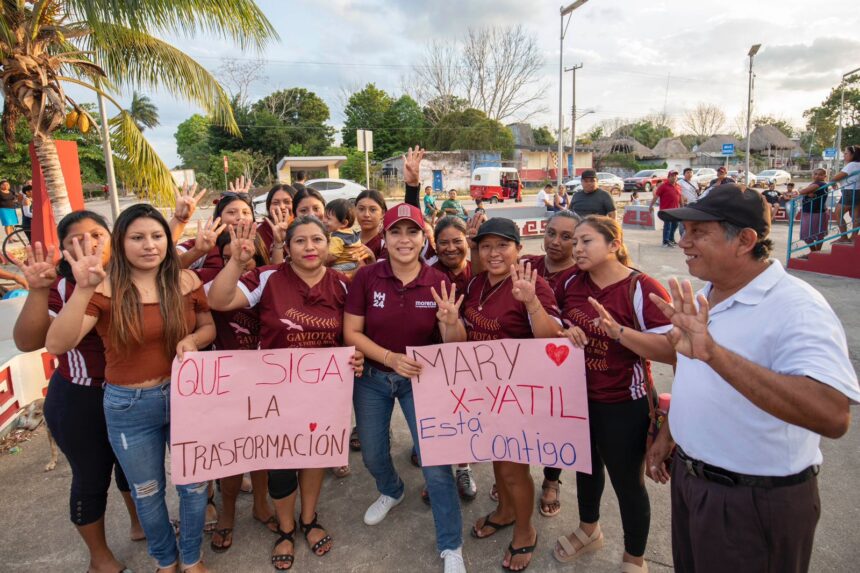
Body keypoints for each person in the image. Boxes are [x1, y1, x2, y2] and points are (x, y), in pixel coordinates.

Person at [646, 184, 859, 573]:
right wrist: (670, 435)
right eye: (684, 231)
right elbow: (699, 382)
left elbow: (832, 415)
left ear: (744, 240)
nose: (683, 242)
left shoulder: (797, 307)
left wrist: (715, 354)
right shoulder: (706, 295)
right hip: (693, 482)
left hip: (752, 501)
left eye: (698, 232)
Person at [45, 204, 217, 573]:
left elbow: (208, 327)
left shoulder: (185, 281)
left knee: (194, 485)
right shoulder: (103, 288)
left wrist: (193, 340)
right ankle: (165, 560)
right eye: (137, 237)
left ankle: (191, 557)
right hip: (129, 406)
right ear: (121, 243)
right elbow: (58, 344)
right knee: (148, 491)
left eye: (156, 236)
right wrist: (83, 290)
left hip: (185, 397)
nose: (149, 245)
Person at [208, 216, 364, 570]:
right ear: (287, 247)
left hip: (324, 391)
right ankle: (286, 528)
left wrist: (356, 356)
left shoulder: (342, 284)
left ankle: (309, 519)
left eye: (317, 240)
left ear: (328, 244)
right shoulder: (268, 278)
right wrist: (235, 259)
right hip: (274, 391)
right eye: (300, 241)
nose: (310, 248)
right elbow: (219, 300)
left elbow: (353, 334)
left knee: (313, 455)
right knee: (279, 463)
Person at [12, 212, 143, 573]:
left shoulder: (133, 274)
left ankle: (139, 525)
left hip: (130, 393)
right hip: (81, 397)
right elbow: (28, 342)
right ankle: (100, 559)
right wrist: (38, 289)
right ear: (63, 247)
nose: (89, 243)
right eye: (76, 238)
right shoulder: (60, 286)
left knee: (131, 469)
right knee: (90, 477)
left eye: (97, 233)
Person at [343, 202, 469, 573]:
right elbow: (351, 332)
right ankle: (392, 489)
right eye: (395, 231)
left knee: (436, 466)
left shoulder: (439, 282)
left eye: (411, 232)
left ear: (422, 237)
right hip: (372, 379)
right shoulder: (367, 278)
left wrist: (450, 322)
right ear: (384, 237)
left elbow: (455, 344)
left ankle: (451, 546)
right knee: (372, 454)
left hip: (422, 381)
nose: (403, 239)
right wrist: (389, 358)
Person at [552, 216, 675, 573]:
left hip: (625, 401)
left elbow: (673, 350)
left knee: (628, 483)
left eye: (585, 241)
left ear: (613, 244)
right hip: (578, 398)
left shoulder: (641, 288)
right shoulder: (570, 281)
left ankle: (634, 558)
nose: (576, 248)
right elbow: (554, 322)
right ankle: (589, 530)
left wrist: (619, 332)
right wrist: (565, 332)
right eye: (574, 241)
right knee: (586, 470)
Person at [467, 218, 563, 572]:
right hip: (482, 391)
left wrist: (532, 302)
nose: (493, 253)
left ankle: (525, 531)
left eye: (502, 245)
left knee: (512, 471)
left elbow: (553, 339)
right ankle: (506, 511)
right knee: (497, 461)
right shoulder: (476, 283)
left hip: (518, 394)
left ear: (518, 249)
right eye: (486, 246)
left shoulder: (531, 284)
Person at [193, 232, 278, 554]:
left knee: (262, 450)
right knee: (229, 457)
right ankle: (226, 515)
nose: (242, 266)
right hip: (223, 383)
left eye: (248, 259)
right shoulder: (207, 289)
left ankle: (261, 505)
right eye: (232, 259)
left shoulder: (271, 285)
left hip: (266, 382)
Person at [518, 210, 580, 518]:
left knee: (557, 425)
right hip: (523, 364)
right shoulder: (527, 264)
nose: (555, 242)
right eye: (551, 233)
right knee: (525, 423)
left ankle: (552, 480)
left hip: (561, 364)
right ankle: (517, 474)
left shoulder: (582, 274)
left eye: (566, 237)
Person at [324, 198, 363, 273]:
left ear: (343, 223)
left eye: (328, 218)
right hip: (354, 264)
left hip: (342, 266)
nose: (324, 220)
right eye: (324, 217)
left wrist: (322, 265)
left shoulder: (337, 237)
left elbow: (331, 257)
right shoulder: (353, 232)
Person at [256, 183, 296, 255]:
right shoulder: (259, 231)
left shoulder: (302, 227)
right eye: (275, 203)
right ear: (268, 207)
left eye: (287, 202)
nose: (282, 207)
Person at [797, 168, 830, 253]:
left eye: (820, 174)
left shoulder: (818, 184)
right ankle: (816, 252)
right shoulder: (821, 184)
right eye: (815, 174)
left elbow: (801, 191)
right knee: (819, 233)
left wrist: (803, 191)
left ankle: (814, 252)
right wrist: (807, 193)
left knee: (807, 234)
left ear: (825, 176)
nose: (817, 176)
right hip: (817, 211)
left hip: (812, 212)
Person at [833, 144, 860, 241]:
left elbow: (837, 177)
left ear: (853, 154)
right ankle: (853, 237)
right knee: (855, 216)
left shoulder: (852, 165)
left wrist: (832, 181)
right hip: (857, 191)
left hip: (850, 192)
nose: (844, 155)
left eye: (846, 153)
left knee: (838, 213)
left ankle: (844, 237)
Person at [649, 170, 682, 247]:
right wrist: (651, 206)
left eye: (675, 176)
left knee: (675, 224)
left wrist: (682, 207)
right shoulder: (663, 186)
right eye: (672, 176)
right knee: (668, 225)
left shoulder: (678, 186)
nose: (674, 177)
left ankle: (671, 239)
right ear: (668, 177)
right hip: (666, 210)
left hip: (676, 210)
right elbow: (655, 197)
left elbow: (680, 197)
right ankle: (665, 241)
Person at [355, 189, 388, 262]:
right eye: (361, 209)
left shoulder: (386, 243)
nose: (366, 214)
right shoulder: (348, 239)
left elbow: (384, 272)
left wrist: (372, 260)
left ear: (382, 213)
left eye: (373, 210)